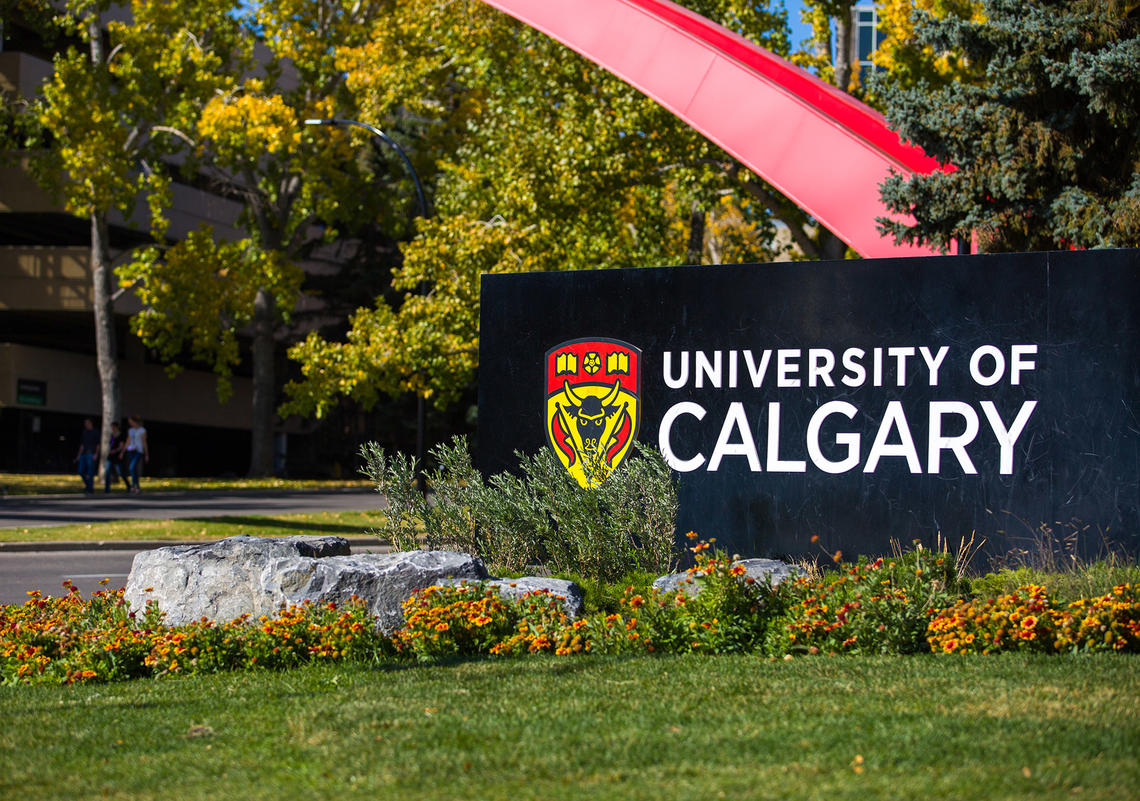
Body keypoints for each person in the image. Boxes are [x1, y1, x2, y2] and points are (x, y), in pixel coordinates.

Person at [74, 418, 100, 495]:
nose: (86, 424)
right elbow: (82, 445)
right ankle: (88, 485)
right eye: (85, 423)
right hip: (84, 454)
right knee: (80, 471)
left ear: (91, 423)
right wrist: (78, 455)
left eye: (87, 423)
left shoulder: (95, 432)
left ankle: (90, 488)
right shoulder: (84, 432)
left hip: (91, 453)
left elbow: (98, 444)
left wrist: (96, 454)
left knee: (90, 472)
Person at [125, 415, 149, 494]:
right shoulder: (130, 430)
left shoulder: (142, 430)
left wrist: (146, 454)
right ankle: (137, 486)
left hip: (138, 451)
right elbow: (128, 441)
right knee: (133, 469)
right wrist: (123, 451)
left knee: (132, 467)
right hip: (131, 450)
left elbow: (144, 442)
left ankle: (133, 485)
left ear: (134, 421)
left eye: (131, 421)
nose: (130, 423)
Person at [104, 421, 130, 493]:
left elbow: (121, 446)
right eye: (112, 427)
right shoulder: (112, 435)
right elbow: (111, 444)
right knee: (107, 471)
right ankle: (107, 489)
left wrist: (115, 451)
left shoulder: (121, 435)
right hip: (111, 456)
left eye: (113, 427)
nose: (112, 428)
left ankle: (128, 486)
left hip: (117, 456)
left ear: (117, 427)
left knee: (120, 472)